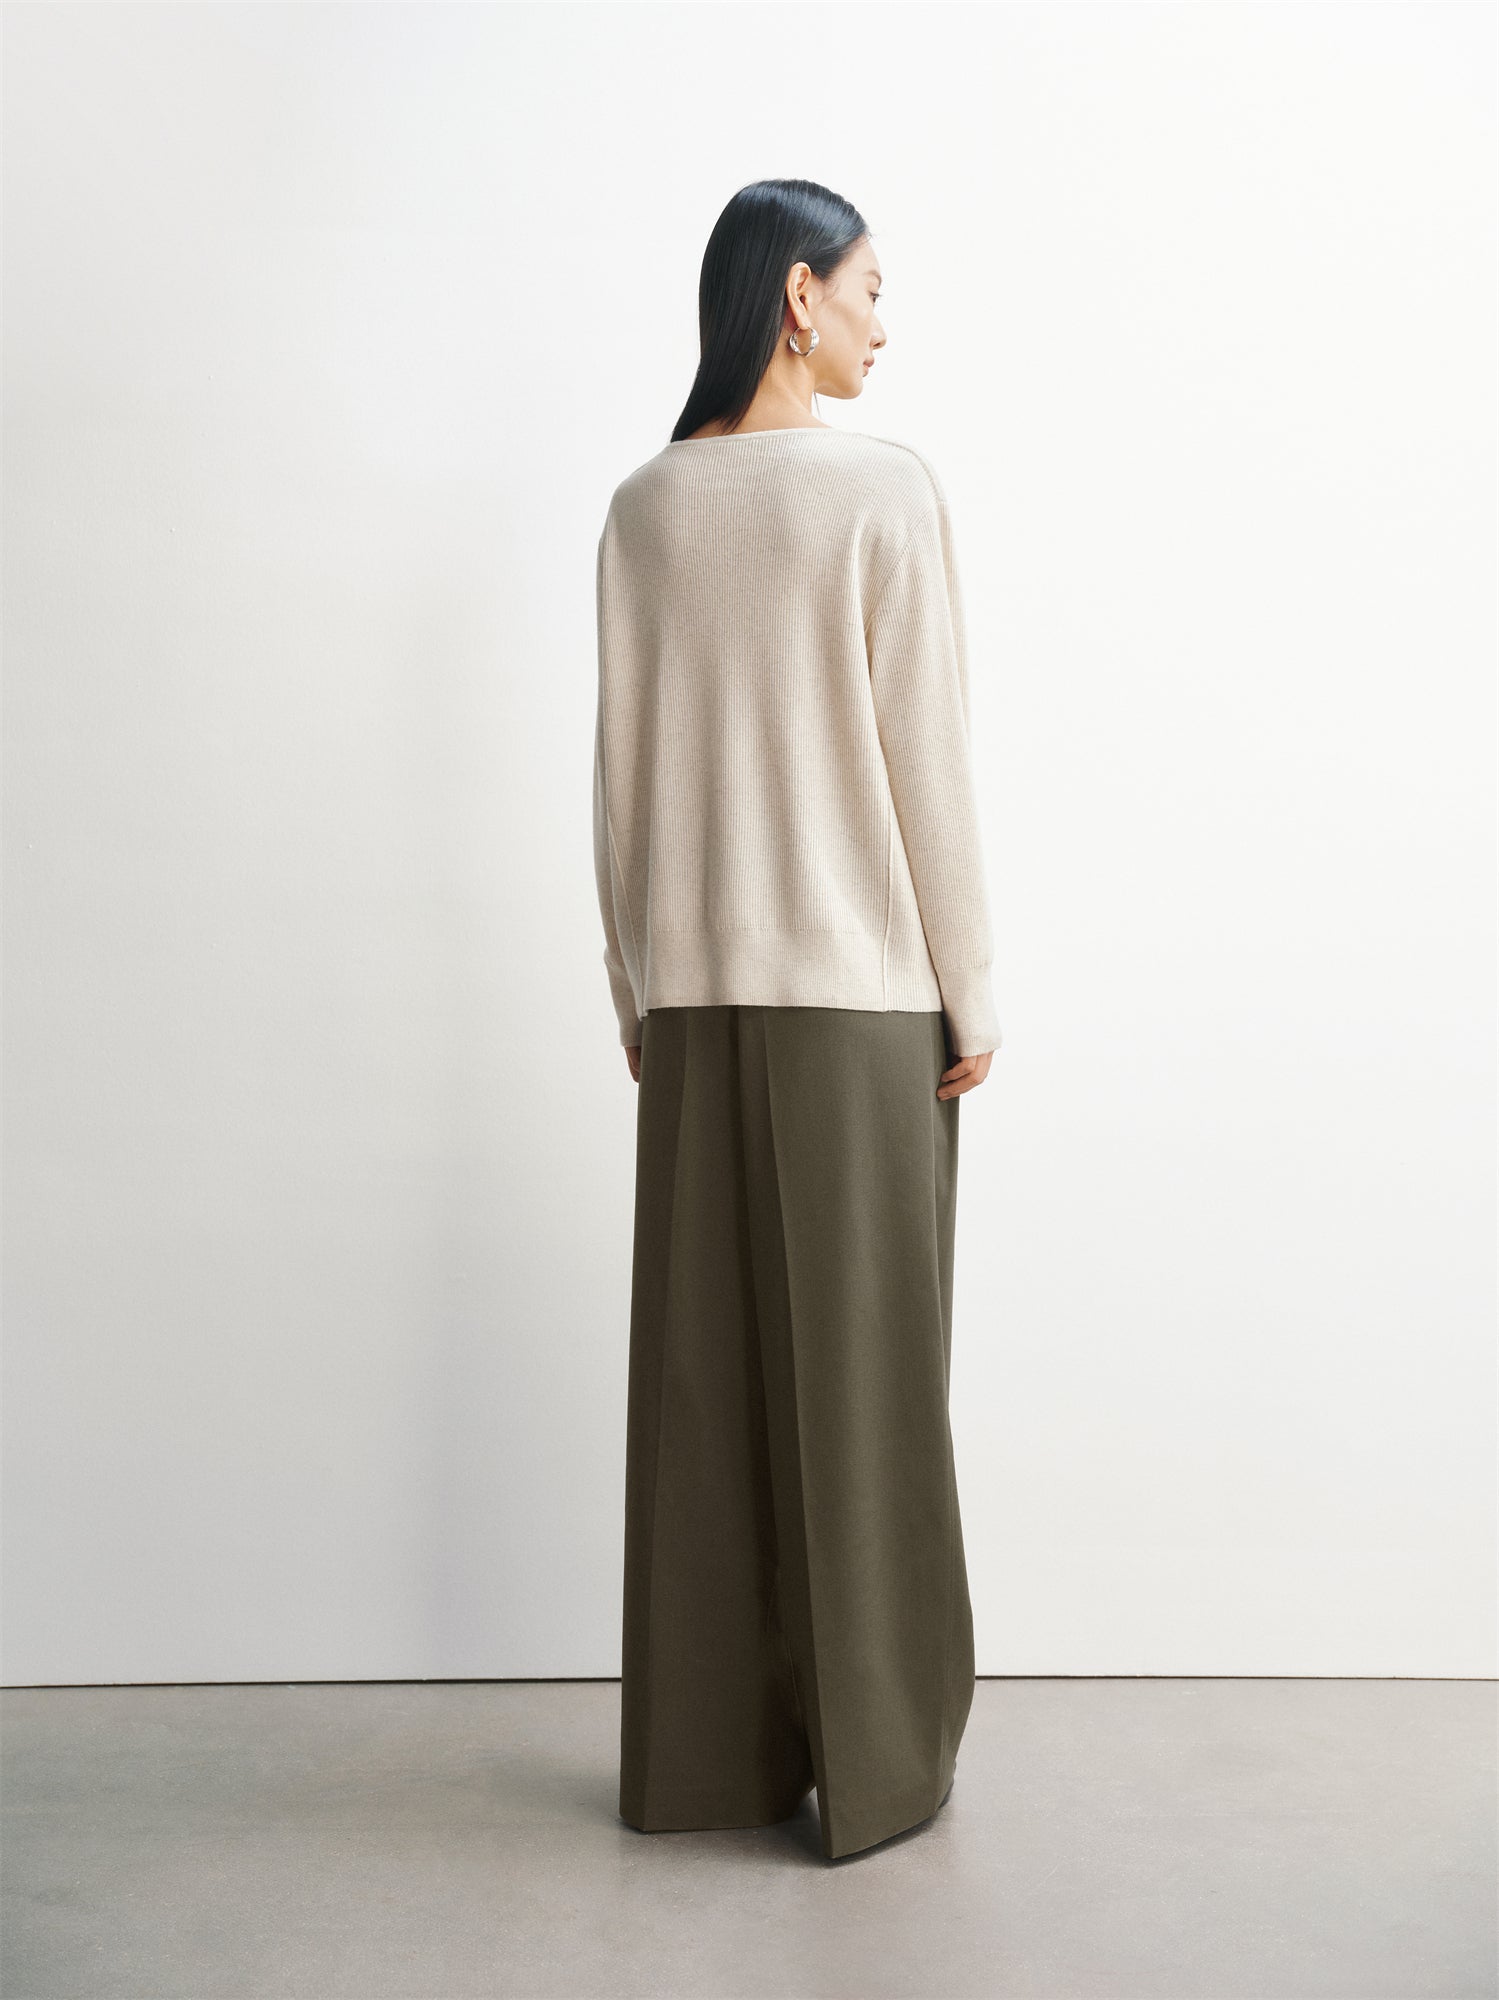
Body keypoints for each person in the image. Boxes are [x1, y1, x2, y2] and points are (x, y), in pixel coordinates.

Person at [591, 177, 1002, 1863]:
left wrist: (636, 982)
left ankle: (703, 1765)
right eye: (871, 289)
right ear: (797, 299)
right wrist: (972, 986)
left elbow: (620, 773)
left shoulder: (642, 508)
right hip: (858, 1001)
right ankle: (881, 1762)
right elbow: (929, 763)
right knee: (866, 1391)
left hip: (693, 999)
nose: (886, 324)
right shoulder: (879, 491)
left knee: (708, 1397)